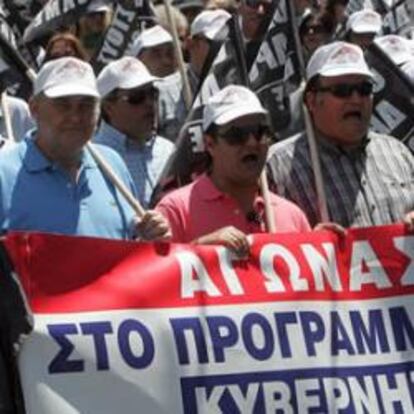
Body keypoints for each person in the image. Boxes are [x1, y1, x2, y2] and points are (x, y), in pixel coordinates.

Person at [0, 57, 170, 241]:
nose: (75, 117)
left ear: (99, 111)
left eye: (86, 105)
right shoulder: (3, 173)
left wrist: (149, 238)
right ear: (34, 108)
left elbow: (127, 245)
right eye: (63, 104)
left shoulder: (112, 164)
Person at [267, 41, 414, 228]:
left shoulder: (397, 152)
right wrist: (308, 242)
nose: (356, 99)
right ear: (312, 100)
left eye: (364, 89)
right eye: (342, 91)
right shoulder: (277, 167)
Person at [156, 85, 314, 255]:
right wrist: (201, 250)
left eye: (260, 132)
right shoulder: (175, 211)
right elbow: (153, 275)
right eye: (237, 135)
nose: (252, 143)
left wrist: (323, 245)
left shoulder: (292, 216)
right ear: (210, 144)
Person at [95, 57, 176, 208]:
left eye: (152, 93)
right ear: (108, 107)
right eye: (136, 97)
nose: (149, 103)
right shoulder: (92, 159)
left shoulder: (169, 151)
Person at [158, 9, 231, 141]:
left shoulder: (242, 88)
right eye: (217, 43)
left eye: (230, 43)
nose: (225, 50)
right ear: (190, 43)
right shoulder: (163, 93)